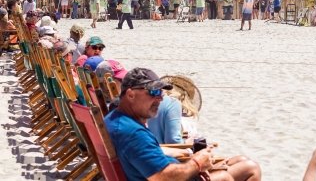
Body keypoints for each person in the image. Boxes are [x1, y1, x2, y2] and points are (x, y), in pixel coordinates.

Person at [104, 68, 262, 181]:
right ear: (130, 94)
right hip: (167, 176)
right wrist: (196, 164)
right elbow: (163, 177)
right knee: (247, 169)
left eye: (161, 93)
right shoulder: (132, 133)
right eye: (153, 92)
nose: (159, 99)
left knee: (240, 160)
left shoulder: (115, 119)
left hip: (154, 172)